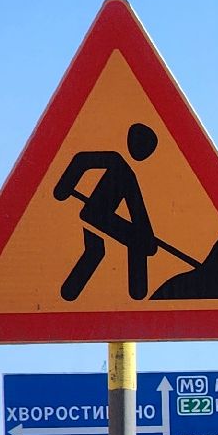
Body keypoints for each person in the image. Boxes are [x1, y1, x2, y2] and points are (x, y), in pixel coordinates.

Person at [53, 123, 161, 301]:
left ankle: (137, 293)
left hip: (101, 217)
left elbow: (137, 210)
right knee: (97, 251)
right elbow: (81, 161)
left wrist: (147, 237)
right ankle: (68, 296)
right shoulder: (117, 162)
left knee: (126, 244)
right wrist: (63, 187)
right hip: (94, 213)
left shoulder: (127, 172)